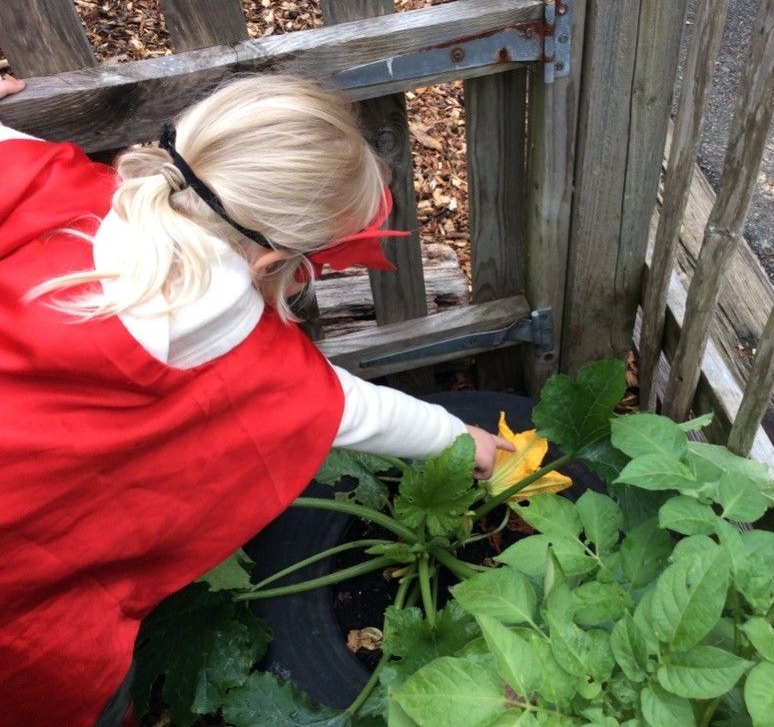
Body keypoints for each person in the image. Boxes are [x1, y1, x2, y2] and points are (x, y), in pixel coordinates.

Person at [0, 73, 513, 725]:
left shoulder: (44, 179)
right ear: (270, 261)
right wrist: (467, 442)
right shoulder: (249, 365)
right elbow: (361, 411)